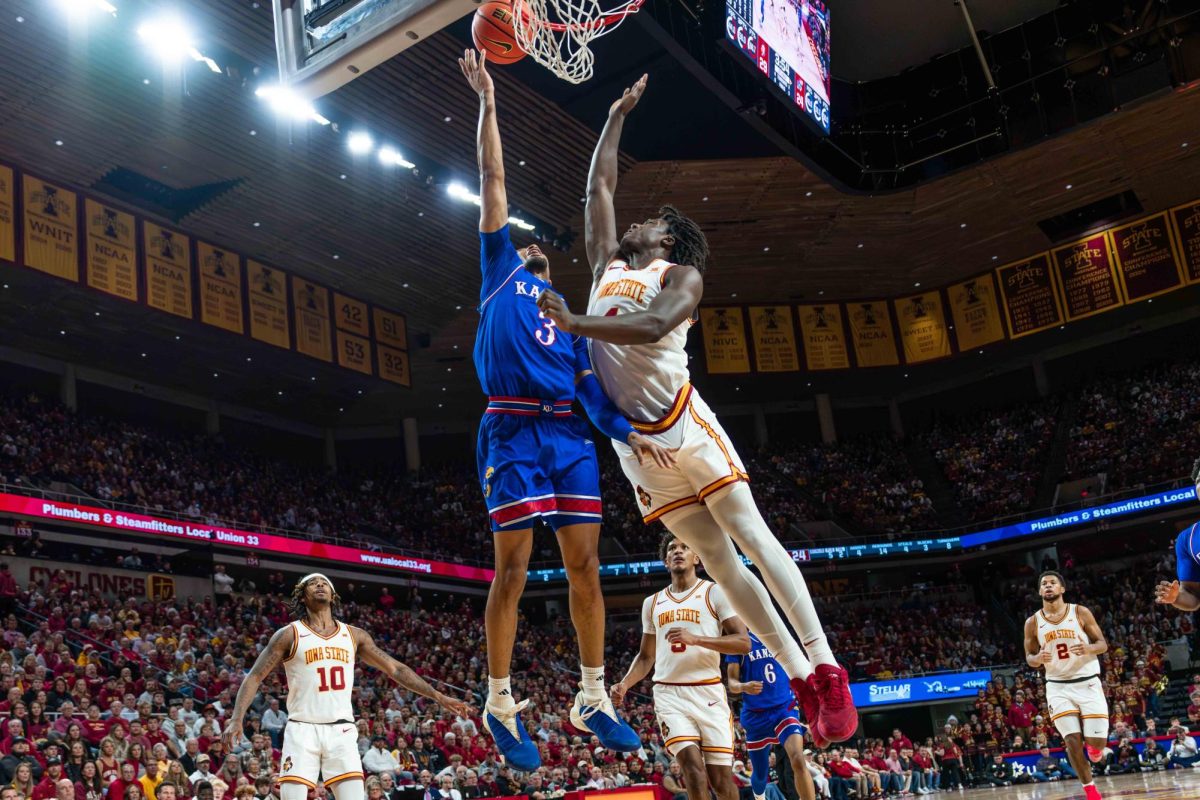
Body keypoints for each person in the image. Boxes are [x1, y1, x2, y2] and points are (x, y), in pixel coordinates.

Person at [535, 73, 856, 748]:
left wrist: (577, 324)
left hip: (684, 424)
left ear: (667, 243)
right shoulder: (602, 267)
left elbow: (654, 327)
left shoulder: (679, 277)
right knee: (720, 564)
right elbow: (597, 188)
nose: (636, 220)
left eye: (650, 220)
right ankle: (799, 675)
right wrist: (616, 114)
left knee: (754, 540)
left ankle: (827, 668)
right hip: (637, 450)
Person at [456, 48, 668, 771]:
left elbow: (595, 400)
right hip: (512, 427)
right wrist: (488, 100)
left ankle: (591, 696)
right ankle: (500, 698)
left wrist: (637, 438)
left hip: (568, 435)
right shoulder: (498, 269)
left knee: (587, 568)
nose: (537, 247)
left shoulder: (569, 315)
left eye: (542, 247)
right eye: (531, 243)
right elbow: (492, 178)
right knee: (512, 571)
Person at [223, 574, 471, 800]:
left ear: (333, 595)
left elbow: (396, 669)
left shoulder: (354, 635)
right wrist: (236, 718)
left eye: (325, 583)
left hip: (341, 730)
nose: (320, 585)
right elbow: (255, 676)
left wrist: (437, 695)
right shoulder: (289, 634)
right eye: (313, 583)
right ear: (302, 595)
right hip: (302, 729)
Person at [611, 535, 749, 800]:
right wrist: (625, 683)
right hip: (669, 694)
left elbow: (743, 642)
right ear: (665, 561)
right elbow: (645, 657)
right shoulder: (652, 603)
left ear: (697, 558)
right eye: (672, 548)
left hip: (708, 692)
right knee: (693, 771)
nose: (678, 551)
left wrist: (696, 639)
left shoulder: (714, 592)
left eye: (685, 547)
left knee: (722, 782)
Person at [1024, 571, 1108, 800]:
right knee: (1072, 740)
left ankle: (1095, 748)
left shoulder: (1079, 612)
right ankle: (1090, 790)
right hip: (1057, 686)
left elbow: (1102, 644)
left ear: (1062, 589)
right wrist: (1037, 659)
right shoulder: (1032, 622)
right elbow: (1029, 657)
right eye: (1044, 584)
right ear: (1040, 591)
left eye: (1053, 583)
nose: (1048, 586)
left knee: (1096, 742)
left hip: (1087, 681)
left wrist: (1089, 648)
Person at [726, 633, 814, 800]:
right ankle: (760, 797)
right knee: (760, 773)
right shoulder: (741, 641)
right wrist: (743, 686)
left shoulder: (780, 635)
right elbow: (732, 683)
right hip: (755, 715)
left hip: (784, 709)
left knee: (797, 759)